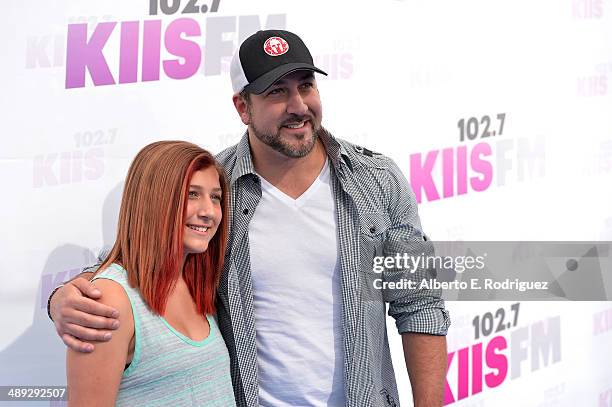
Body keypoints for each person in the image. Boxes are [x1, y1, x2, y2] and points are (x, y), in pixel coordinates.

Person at [50, 30, 450, 406]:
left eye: (306, 86)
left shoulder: (376, 180)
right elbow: (135, 256)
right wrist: (64, 298)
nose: (298, 106)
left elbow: (419, 303)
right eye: (277, 92)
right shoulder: (217, 187)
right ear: (243, 107)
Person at [65, 141, 236, 406]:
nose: (209, 212)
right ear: (153, 201)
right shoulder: (111, 299)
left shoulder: (197, 282)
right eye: (192, 194)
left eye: (215, 197)